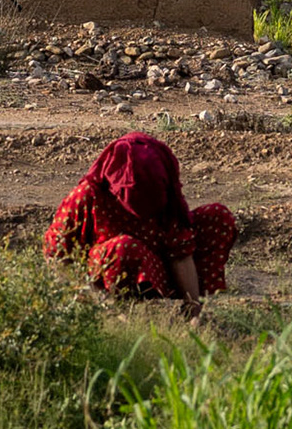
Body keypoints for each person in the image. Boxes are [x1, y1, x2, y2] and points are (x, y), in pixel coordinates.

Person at [44, 131, 237, 310]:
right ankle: (123, 310)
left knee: (217, 216)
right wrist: (94, 302)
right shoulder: (89, 195)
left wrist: (193, 308)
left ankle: (192, 308)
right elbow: (58, 255)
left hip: (158, 270)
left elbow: (180, 252)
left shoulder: (166, 198)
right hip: (104, 279)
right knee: (124, 247)